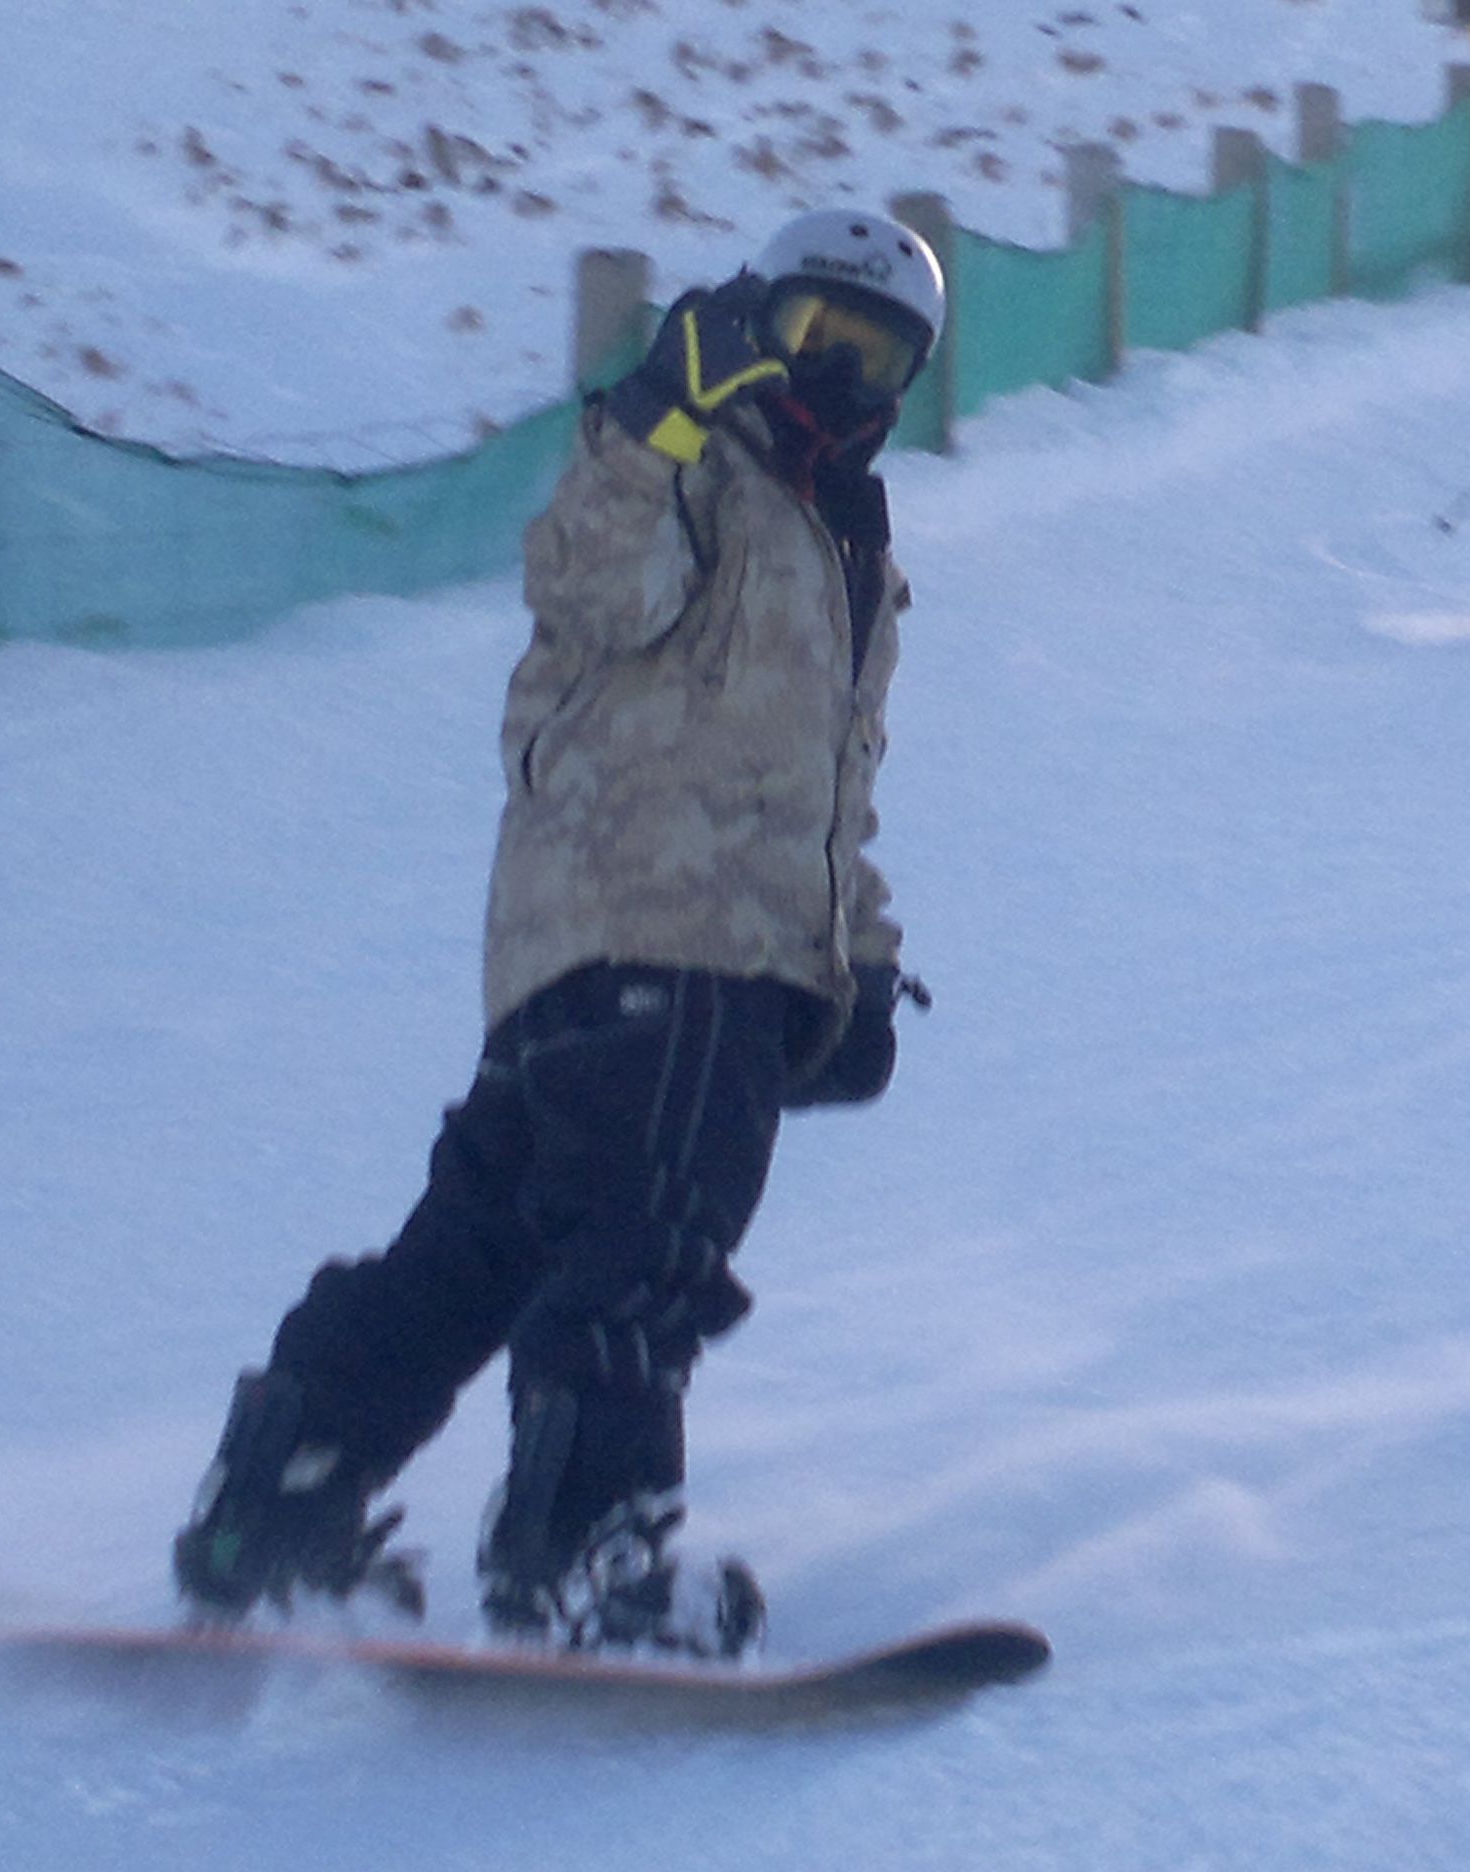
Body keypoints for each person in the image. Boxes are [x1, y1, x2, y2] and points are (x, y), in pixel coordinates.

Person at [169, 207, 945, 1658]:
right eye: (812, 338)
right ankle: (583, 1554)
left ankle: (279, 1497)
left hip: (595, 952)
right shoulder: (685, 470)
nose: (838, 380)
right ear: (749, 328)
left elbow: (832, 795)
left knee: (480, 1249)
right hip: (678, 939)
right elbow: (588, 588)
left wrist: (861, 963)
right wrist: (651, 418)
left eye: (876, 355)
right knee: (649, 1242)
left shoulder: (847, 551)